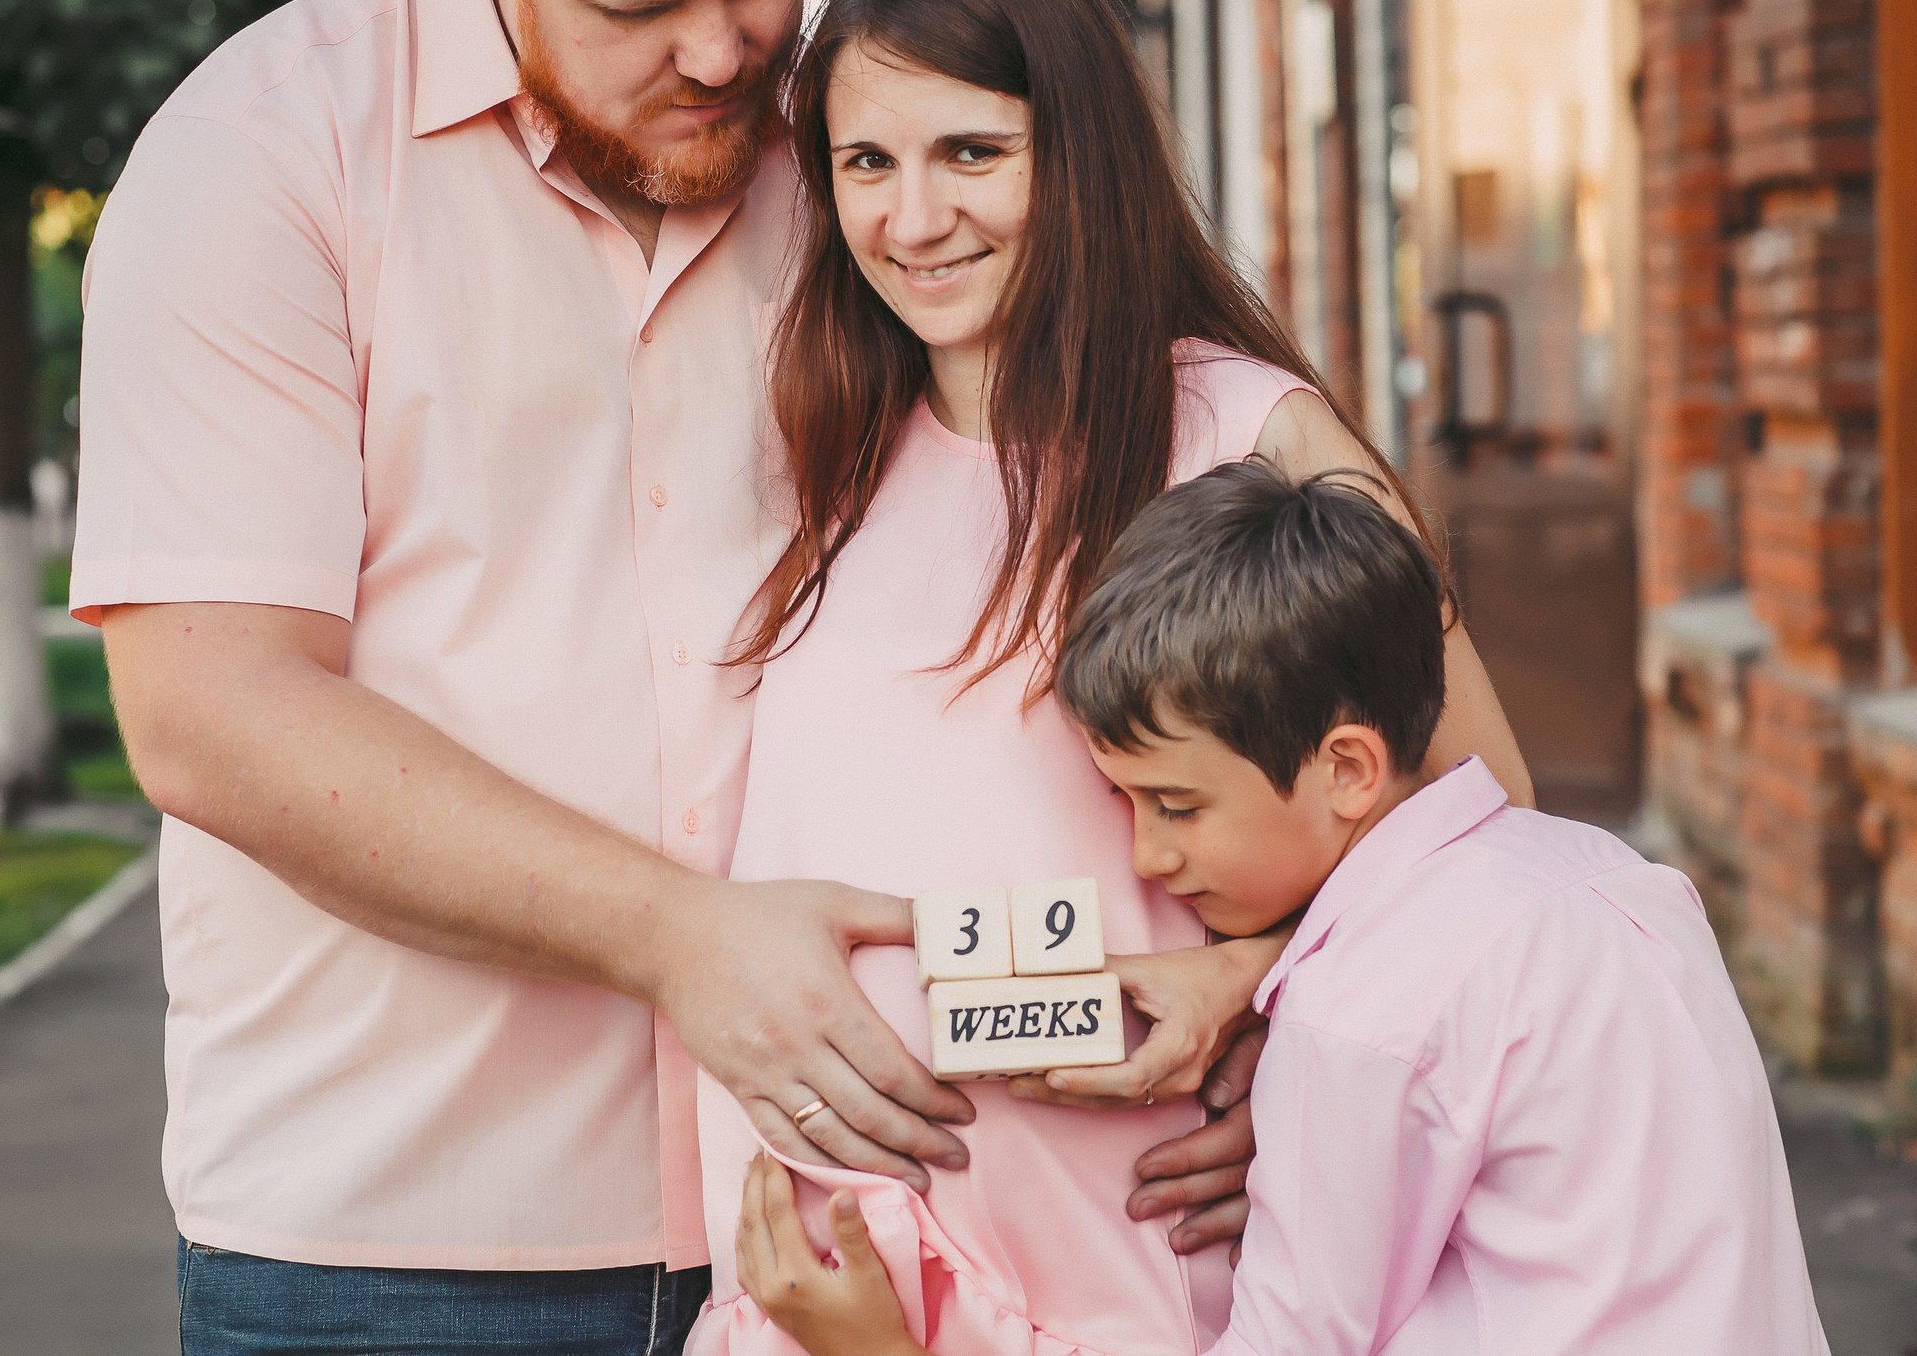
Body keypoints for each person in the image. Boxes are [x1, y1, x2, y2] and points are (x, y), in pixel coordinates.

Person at [71, 0, 1245, 1351]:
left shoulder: (855, 152)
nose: (717, 54)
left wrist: (1272, 1000)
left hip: (884, 1239)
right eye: (638, 10)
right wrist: (683, 939)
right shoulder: (256, 166)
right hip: (398, 1253)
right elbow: (213, 716)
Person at [686, 0, 1531, 1356]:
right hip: (829, 1296)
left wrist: (1243, 982)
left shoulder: (1249, 433)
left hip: (1124, 1274)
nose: (911, 215)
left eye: (972, 152)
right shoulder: (820, 439)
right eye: (865, 162)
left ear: (1075, 151)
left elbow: (1485, 826)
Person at [735, 462, 1831, 1356]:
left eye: (1175, 804)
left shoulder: (1358, 1014)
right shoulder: (1614, 883)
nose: (1149, 854)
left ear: (1347, 768)